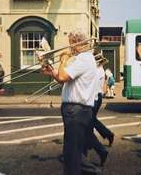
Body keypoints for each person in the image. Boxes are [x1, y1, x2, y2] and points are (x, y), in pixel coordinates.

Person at [42, 31, 97, 175]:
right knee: (73, 152)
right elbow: (62, 79)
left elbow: (63, 75)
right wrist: (51, 71)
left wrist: (63, 60)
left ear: (77, 43)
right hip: (77, 110)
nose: (69, 47)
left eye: (70, 43)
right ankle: (91, 171)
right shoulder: (83, 59)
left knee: (71, 154)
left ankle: (92, 171)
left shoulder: (83, 59)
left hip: (76, 111)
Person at [84, 49, 114, 166]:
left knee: (87, 126)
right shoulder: (100, 69)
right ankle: (107, 136)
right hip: (97, 97)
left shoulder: (95, 70)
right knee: (91, 122)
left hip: (93, 99)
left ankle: (100, 150)